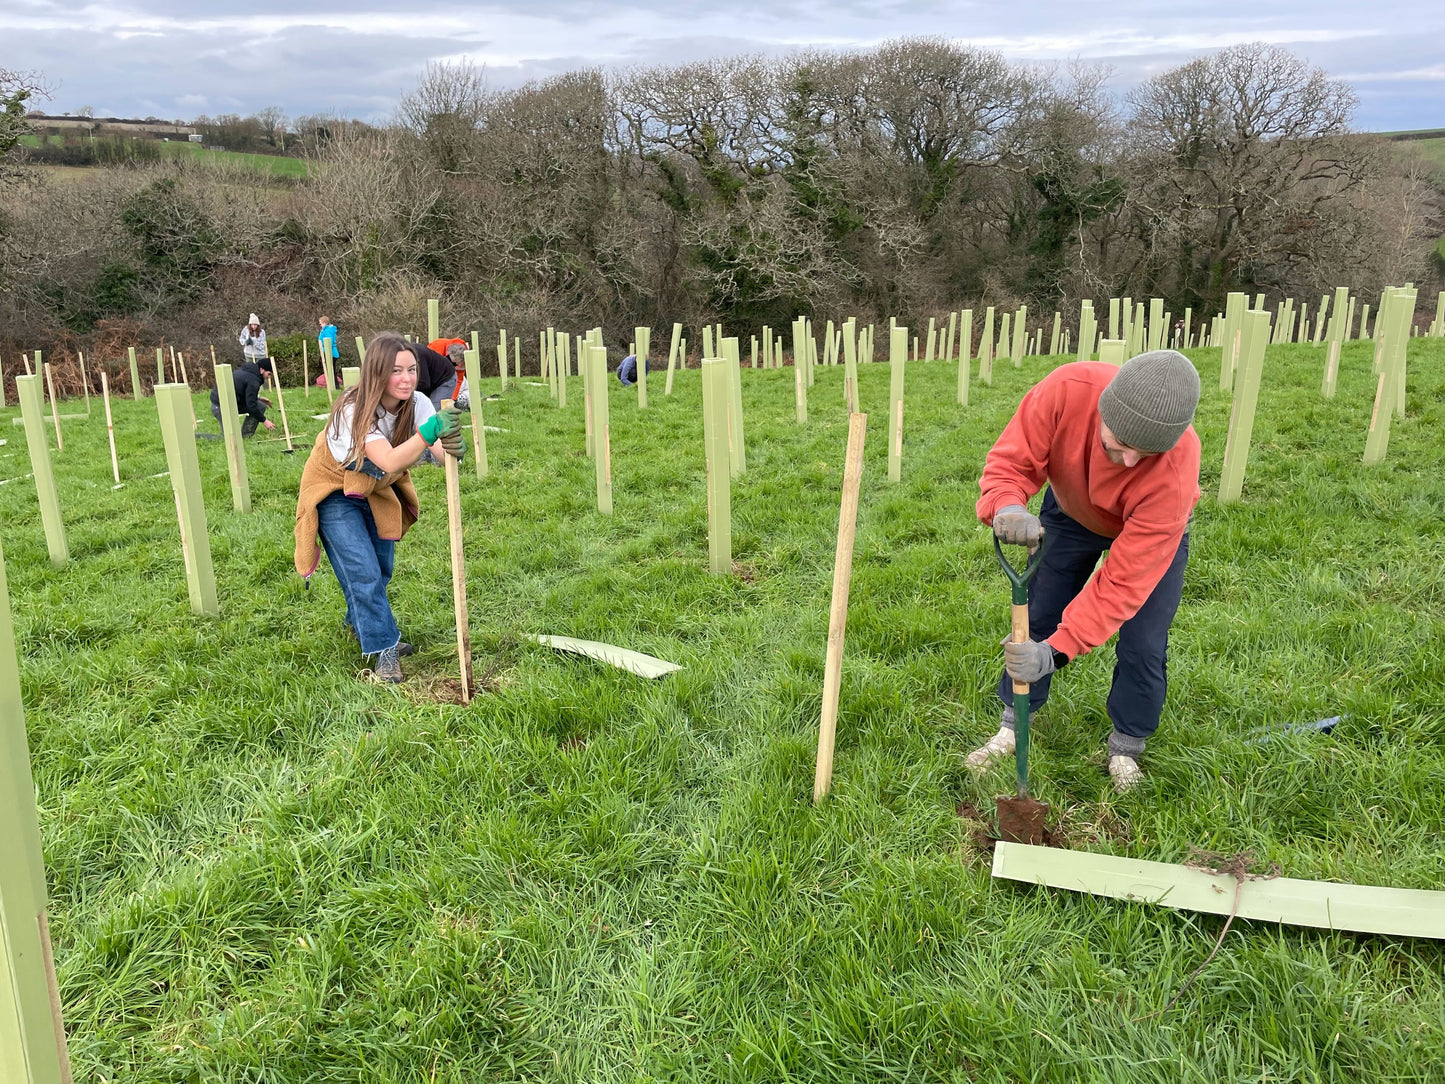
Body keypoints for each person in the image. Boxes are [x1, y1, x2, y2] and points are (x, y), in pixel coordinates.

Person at [968, 350, 1201, 791]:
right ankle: (1012, 725)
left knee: (1144, 641)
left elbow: (1121, 586)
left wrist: (1056, 653)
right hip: (1072, 510)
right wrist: (1008, 504)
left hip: (1149, 530)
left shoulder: (1174, 470)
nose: (1130, 463)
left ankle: (1127, 745)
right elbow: (1012, 462)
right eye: (1122, 445)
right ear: (1104, 411)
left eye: (1145, 454)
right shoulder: (1067, 392)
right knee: (1038, 615)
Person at [294, 332, 466, 683]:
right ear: (377, 372)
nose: (406, 379)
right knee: (362, 570)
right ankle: (384, 648)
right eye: (397, 371)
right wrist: (427, 434)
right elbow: (388, 460)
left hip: (376, 489)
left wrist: (451, 447)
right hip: (334, 489)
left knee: (381, 568)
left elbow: (435, 455)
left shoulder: (418, 402)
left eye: (412, 370)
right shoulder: (352, 408)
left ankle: (360, 620)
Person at [210, 355, 276, 437]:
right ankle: (199, 437)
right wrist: (265, 421)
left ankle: (245, 435)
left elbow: (241, 391)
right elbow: (251, 405)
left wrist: (258, 398)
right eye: (269, 374)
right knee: (230, 437)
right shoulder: (253, 380)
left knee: (260, 405)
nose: (268, 377)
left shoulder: (248, 371)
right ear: (262, 370)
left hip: (228, 402)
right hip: (221, 407)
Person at [410, 339, 461, 412]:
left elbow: (424, 385)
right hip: (431, 379)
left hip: (445, 379)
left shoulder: (417, 355)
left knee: (433, 412)